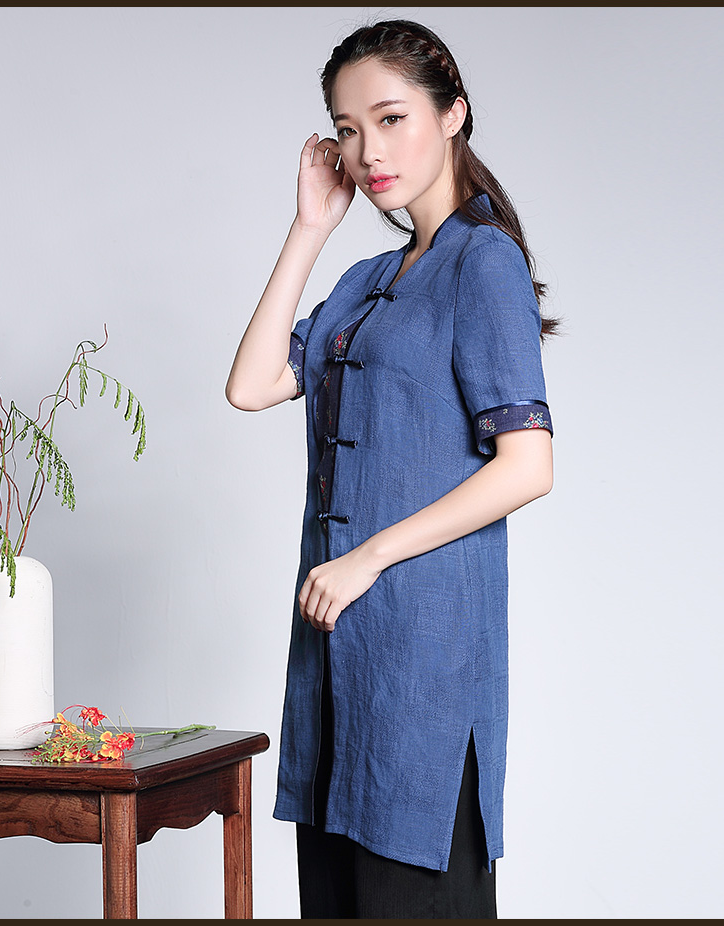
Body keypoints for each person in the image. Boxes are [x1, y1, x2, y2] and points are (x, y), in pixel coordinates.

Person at [226, 18, 556, 919]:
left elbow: (528, 465)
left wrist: (368, 557)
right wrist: (309, 229)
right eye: (347, 128)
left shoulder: (482, 261)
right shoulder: (365, 278)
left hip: (424, 661)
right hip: (335, 657)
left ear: (454, 114)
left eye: (391, 118)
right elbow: (251, 385)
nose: (368, 151)